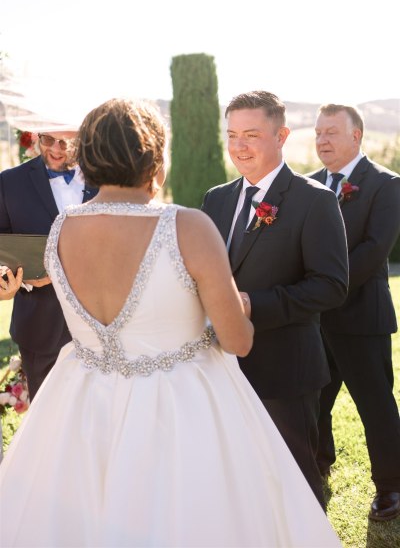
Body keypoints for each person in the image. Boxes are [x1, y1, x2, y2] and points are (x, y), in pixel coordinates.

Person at [0, 98, 342, 548]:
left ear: (90, 157)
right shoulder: (188, 225)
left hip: (81, 404)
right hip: (181, 409)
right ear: (154, 155)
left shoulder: (62, 228)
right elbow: (237, 340)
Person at [202, 90, 349, 509]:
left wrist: (252, 303)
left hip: (285, 369)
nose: (239, 146)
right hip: (218, 367)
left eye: (251, 134)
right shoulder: (216, 199)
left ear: (281, 134)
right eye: (232, 135)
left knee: (296, 481)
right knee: (235, 480)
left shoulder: (314, 200)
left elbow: (331, 285)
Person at [311, 103, 400, 522]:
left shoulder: (386, 185)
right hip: (314, 321)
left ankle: (391, 487)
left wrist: (323, 288)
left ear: (356, 136)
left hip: (362, 317)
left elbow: (373, 250)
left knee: (376, 405)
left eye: (331, 132)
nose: (322, 140)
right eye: (318, 133)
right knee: (312, 402)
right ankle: (318, 465)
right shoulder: (306, 186)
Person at [0, 125, 98, 399]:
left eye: (66, 143)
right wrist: (10, 282)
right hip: (40, 328)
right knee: (47, 427)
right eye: (48, 140)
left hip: (102, 327)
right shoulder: (10, 183)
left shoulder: (108, 178)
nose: (56, 149)